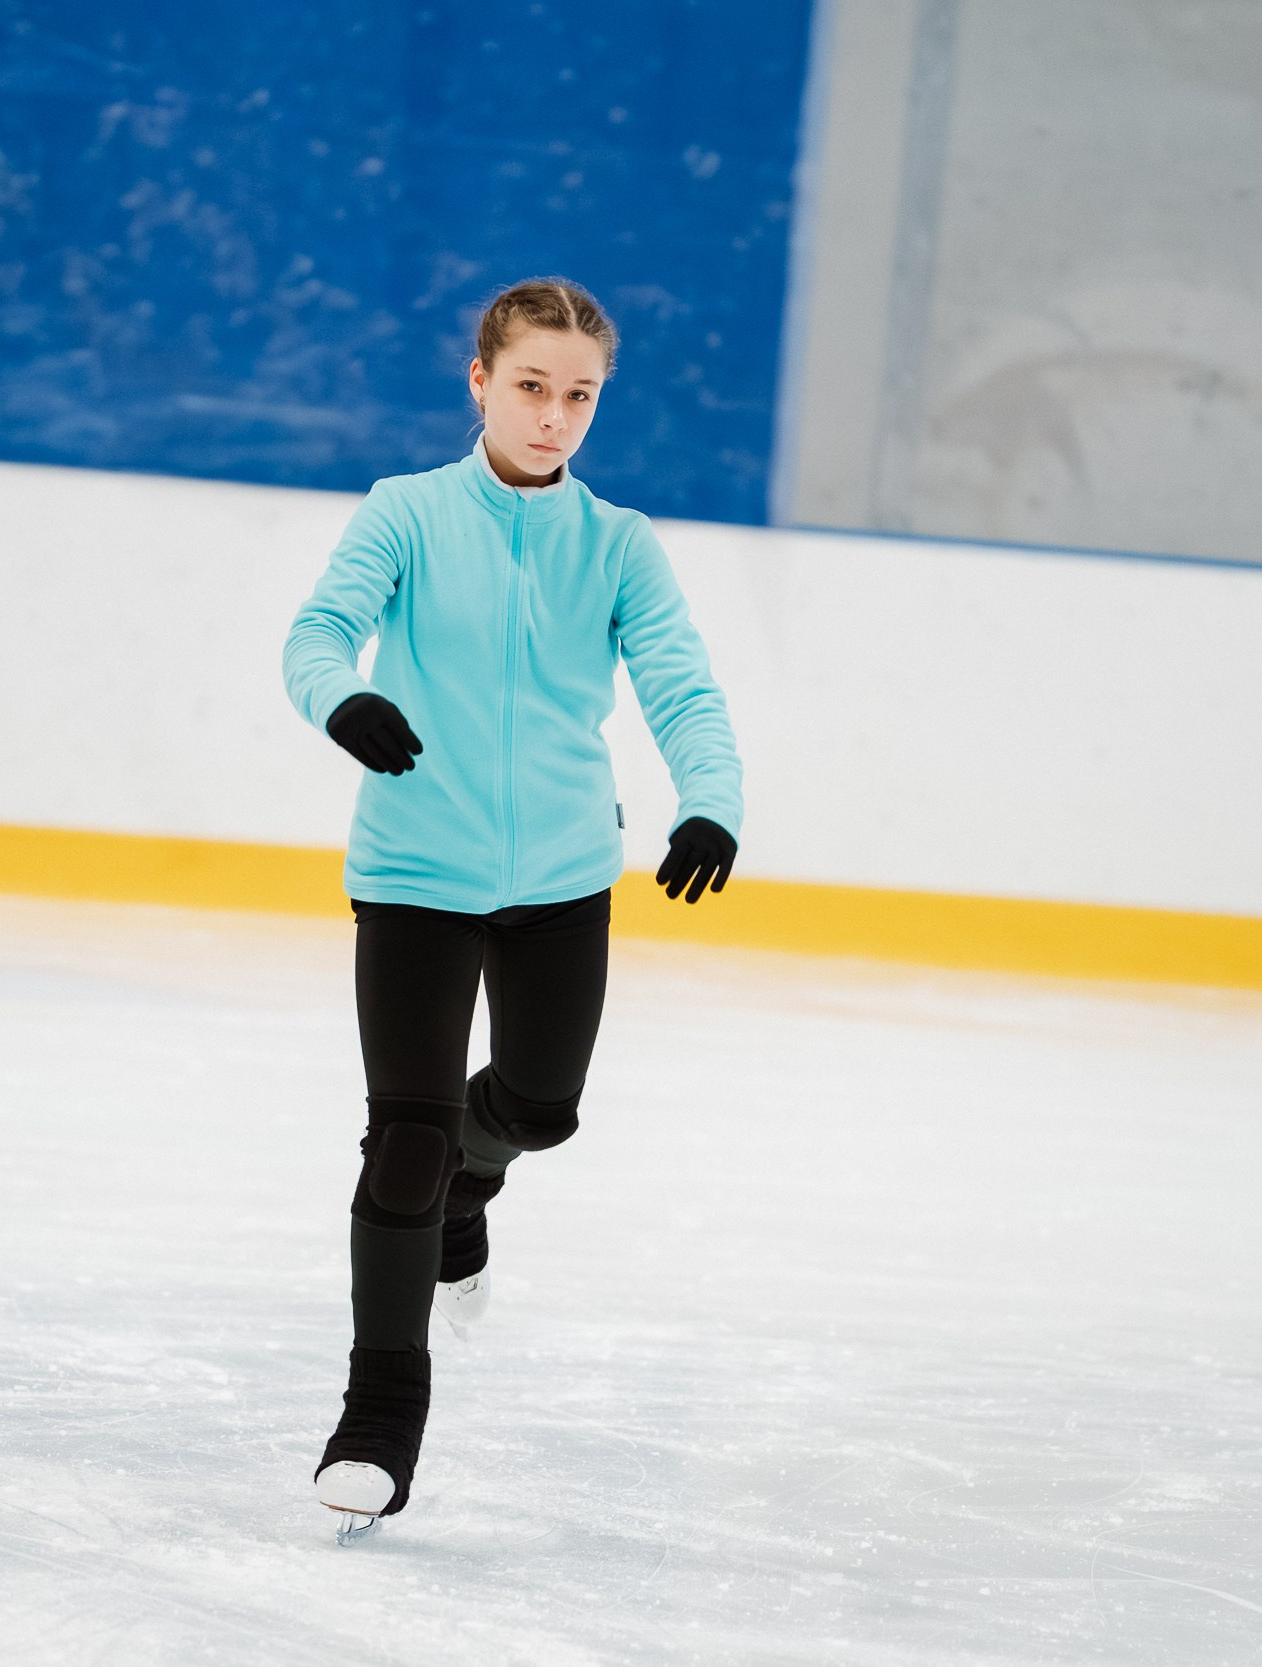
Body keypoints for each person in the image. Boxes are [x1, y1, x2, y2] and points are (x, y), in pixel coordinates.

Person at [282, 278, 745, 1534]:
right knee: (407, 1138)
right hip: (417, 877)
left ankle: (470, 1193)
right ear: (480, 381)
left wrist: (710, 800)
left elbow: (681, 687)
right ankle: (377, 1417)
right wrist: (342, 701)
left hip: (556, 880)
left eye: (579, 394)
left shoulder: (618, 543)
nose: (553, 416)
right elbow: (317, 633)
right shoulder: (408, 513)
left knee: (541, 1108)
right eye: (531, 386)